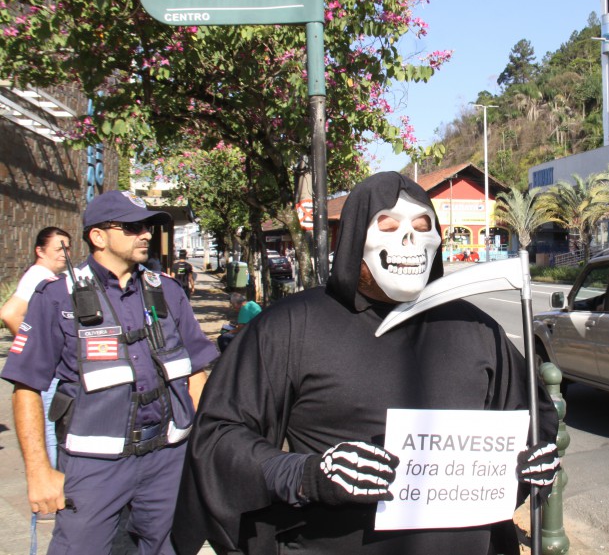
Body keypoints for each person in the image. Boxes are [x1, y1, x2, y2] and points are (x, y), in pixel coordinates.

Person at [172, 172, 560, 555]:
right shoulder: (292, 326)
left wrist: (530, 463)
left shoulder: (475, 328)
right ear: (355, 239)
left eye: (422, 226)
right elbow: (220, 435)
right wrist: (307, 475)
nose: (409, 239)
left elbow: (532, 420)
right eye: (388, 226)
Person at [1, 190, 220, 555]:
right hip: (93, 465)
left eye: (148, 226)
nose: (146, 234)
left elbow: (196, 373)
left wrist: (204, 450)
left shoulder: (167, 291)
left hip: (168, 459)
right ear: (97, 236)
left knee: (172, 547)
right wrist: (39, 472)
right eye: (133, 227)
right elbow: (26, 386)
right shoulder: (57, 297)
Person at [1, 227, 72, 469]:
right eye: (58, 248)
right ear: (39, 251)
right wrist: (40, 347)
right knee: (51, 431)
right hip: (48, 370)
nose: (65, 253)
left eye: (68, 247)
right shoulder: (39, 275)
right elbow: (10, 314)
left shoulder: (45, 275)